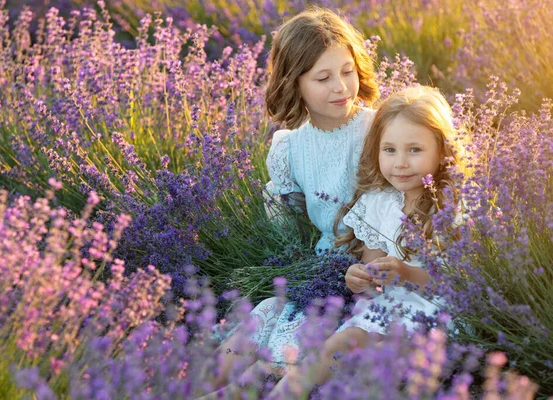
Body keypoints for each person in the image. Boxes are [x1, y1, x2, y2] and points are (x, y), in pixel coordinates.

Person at [199, 7, 379, 398]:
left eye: (347, 71)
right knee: (257, 321)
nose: (341, 87)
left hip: (369, 273)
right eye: (323, 78)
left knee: (276, 356)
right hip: (321, 271)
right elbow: (289, 226)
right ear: (293, 83)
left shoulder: (376, 130)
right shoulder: (290, 147)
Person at [269, 85, 465, 397]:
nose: (400, 163)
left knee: (357, 356)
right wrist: (359, 278)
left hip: (435, 320)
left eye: (414, 150)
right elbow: (372, 269)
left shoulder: (453, 206)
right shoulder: (379, 201)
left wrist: (405, 272)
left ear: (442, 151)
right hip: (385, 312)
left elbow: (459, 284)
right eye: (390, 150)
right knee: (338, 348)